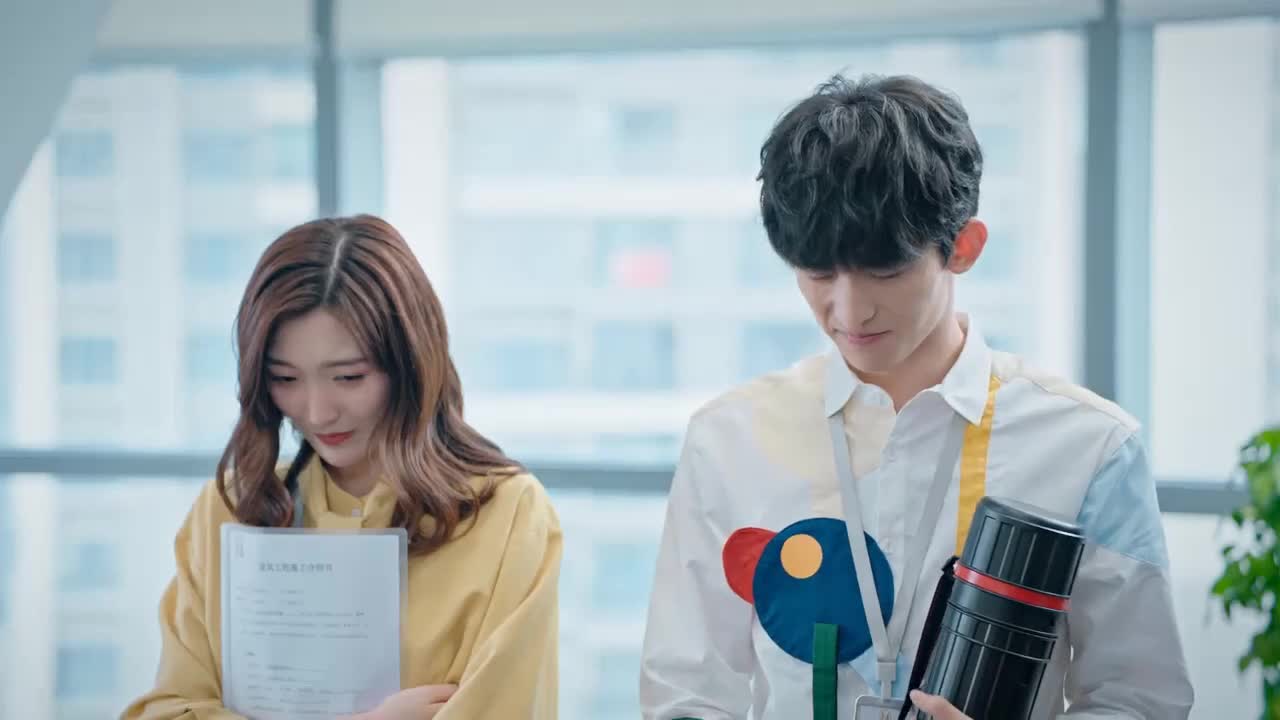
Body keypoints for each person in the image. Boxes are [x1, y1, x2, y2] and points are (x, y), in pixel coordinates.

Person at [638, 74, 1193, 719]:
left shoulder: (1089, 446)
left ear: (964, 247)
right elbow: (686, 692)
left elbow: (1140, 699)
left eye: (886, 271)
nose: (850, 310)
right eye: (818, 272)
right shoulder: (728, 438)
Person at [122, 215, 561, 720]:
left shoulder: (507, 515)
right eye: (285, 379)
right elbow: (168, 711)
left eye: (349, 377)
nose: (317, 412)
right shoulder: (229, 510)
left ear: (411, 365)